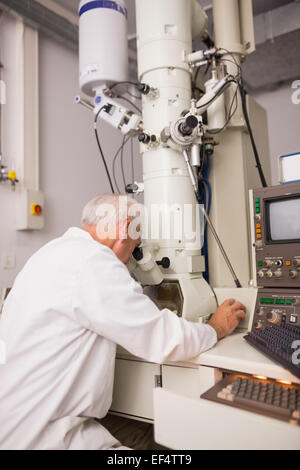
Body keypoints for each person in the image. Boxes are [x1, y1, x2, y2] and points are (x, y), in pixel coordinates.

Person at [0, 194, 246, 450]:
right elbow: (162, 339)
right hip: (46, 437)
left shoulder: (50, 252)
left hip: (15, 424)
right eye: (136, 245)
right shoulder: (94, 261)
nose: (131, 257)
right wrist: (215, 328)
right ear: (124, 228)